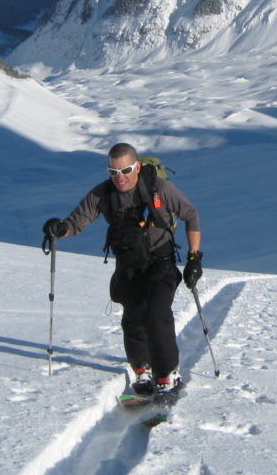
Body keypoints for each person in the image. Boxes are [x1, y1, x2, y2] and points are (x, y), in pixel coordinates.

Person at [43, 143, 203, 398]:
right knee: (133, 316)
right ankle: (141, 368)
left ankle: (167, 375)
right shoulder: (103, 193)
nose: (120, 177)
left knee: (157, 313)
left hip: (160, 261)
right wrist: (58, 229)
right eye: (113, 172)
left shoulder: (157, 188)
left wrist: (194, 258)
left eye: (126, 170)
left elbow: (190, 214)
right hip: (128, 265)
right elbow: (76, 222)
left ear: (137, 166)